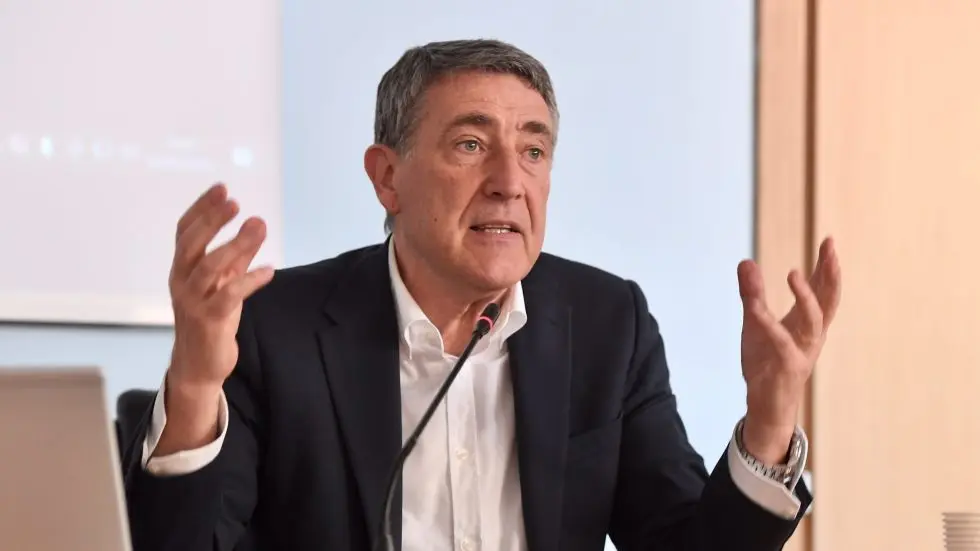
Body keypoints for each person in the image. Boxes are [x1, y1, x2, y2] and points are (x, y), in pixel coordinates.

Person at [122, 39, 841, 551]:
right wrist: (195, 385)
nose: (509, 182)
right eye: (470, 145)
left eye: (533, 150)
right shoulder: (278, 327)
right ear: (387, 177)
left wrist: (770, 420)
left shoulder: (605, 325)